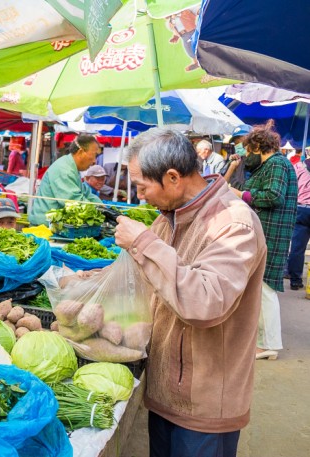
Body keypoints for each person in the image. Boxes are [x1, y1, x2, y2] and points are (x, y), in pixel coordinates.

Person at [114, 128, 266, 457]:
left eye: (142, 186)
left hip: (204, 405)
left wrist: (142, 242)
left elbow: (205, 302)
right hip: (167, 391)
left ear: (172, 177)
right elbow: (142, 273)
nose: (140, 196)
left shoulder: (234, 223)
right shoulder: (170, 217)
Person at [227, 120, 297, 360]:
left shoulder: (277, 164)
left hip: (271, 233)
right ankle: (262, 340)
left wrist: (240, 194)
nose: (246, 155)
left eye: (248, 150)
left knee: (265, 287)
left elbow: (273, 197)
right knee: (260, 287)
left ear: (258, 147)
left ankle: (269, 344)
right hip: (263, 232)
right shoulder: (268, 167)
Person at [29, 134, 103, 226]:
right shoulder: (64, 169)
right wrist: (99, 211)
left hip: (54, 225)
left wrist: (102, 207)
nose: (94, 161)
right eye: (94, 155)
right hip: (44, 227)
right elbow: (74, 202)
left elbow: (85, 192)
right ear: (80, 152)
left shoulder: (71, 167)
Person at [286, 157, 310, 290]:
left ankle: (295, 280)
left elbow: (290, 185)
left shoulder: (299, 167)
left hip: (301, 210)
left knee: (297, 248)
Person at [222, 124, 251, 190]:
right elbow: (224, 184)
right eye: (235, 143)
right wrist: (231, 166)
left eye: (239, 142)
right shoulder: (237, 160)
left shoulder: (260, 161)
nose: (236, 146)